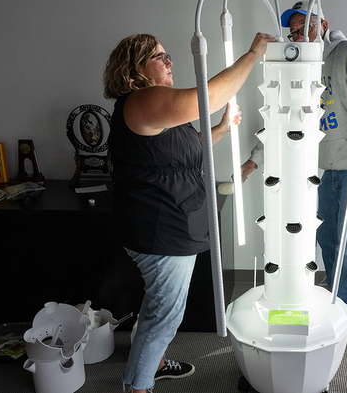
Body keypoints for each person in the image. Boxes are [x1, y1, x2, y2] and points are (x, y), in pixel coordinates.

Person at [104, 32, 273, 393]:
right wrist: (252, 54)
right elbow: (207, 98)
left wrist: (222, 128)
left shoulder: (157, 109)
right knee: (165, 315)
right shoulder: (144, 100)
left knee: (158, 304)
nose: (169, 62)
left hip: (166, 223)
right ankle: (137, 387)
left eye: (167, 55)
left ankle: (155, 363)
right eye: (159, 56)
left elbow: (187, 146)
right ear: (136, 68)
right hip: (160, 229)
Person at [242, 1, 347, 318]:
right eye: (294, 32)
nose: (300, 36)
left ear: (323, 26)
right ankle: (339, 292)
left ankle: (346, 305)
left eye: (306, 27)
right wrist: (254, 161)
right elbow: (285, 120)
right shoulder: (302, 67)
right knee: (326, 236)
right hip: (332, 168)